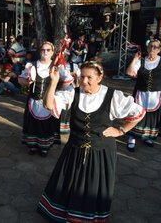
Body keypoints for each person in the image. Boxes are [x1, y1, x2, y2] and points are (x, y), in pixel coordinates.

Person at [38, 61, 145, 222]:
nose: (84, 81)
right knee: (69, 184)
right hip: (75, 149)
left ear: (100, 77)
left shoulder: (113, 96)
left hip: (101, 151)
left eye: (90, 77)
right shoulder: (73, 93)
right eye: (82, 77)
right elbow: (48, 104)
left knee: (94, 187)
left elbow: (139, 112)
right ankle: (67, 214)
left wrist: (121, 130)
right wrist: (53, 82)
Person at [126, 39, 161, 152]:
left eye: (155, 47)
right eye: (151, 46)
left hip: (157, 94)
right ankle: (132, 137)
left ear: (159, 49)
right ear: (147, 48)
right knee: (136, 113)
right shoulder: (141, 61)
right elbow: (129, 72)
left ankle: (148, 136)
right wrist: (135, 59)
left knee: (152, 116)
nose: (152, 49)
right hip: (140, 93)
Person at [18, 42, 62, 157]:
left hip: (49, 102)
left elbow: (67, 82)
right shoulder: (31, 65)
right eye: (43, 49)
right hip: (33, 100)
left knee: (46, 125)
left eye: (48, 50)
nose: (45, 52)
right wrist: (26, 82)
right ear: (39, 51)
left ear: (52, 52)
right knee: (33, 124)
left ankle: (44, 148)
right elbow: (20, 80)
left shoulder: (57, 67)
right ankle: (32, 146)